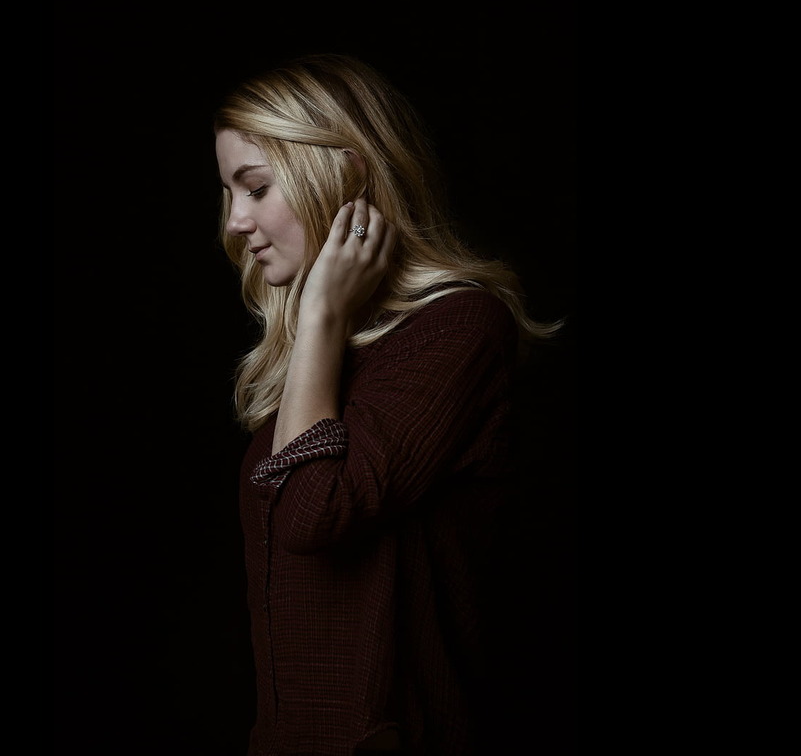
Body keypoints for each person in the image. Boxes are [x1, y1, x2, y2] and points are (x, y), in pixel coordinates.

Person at [213, 53, 565, 756]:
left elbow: (315, 513)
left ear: (346, 173)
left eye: (254, 188)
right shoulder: (322, 358)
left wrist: (318, 319)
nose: (234, 223)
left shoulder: (460, 327)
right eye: (226, 193)